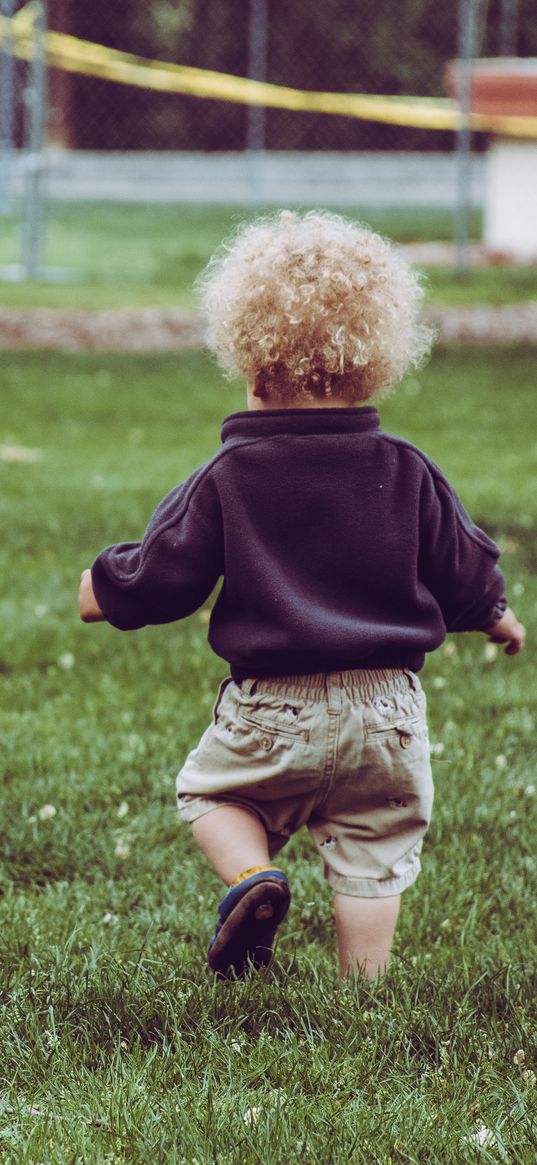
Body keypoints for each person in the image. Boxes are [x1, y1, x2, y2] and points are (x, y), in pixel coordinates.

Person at [79, 210, 525, 981]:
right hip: (388, 709)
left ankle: (251, 877)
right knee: (374, 846)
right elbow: (462, 562)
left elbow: (165, 572)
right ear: (374, 365)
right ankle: (364, 988)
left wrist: (100, 589)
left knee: (212, 795)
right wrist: (494, 613)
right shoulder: (407, 467)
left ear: (250, 367)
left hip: (270, 709)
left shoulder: (228, 475)